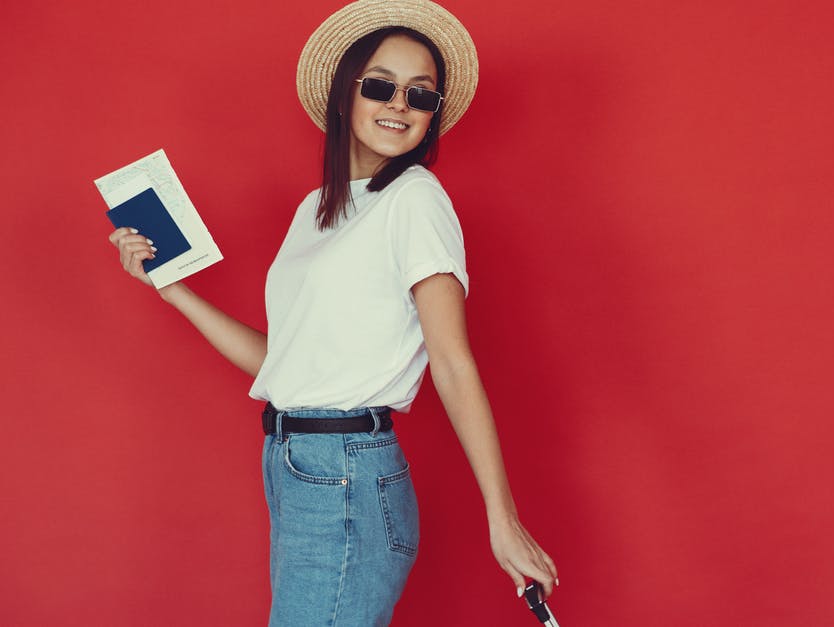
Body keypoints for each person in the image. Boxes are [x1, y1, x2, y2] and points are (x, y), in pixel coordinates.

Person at [106, 0, 558, 624]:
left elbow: (452, 362)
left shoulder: (415, 200)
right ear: (346, 95)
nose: (400, 105)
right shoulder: (316, 209)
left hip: (345, 471)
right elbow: (281, 362)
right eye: (380, 86)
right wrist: (173, 290)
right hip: (297, 468)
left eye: (420, 95)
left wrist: (501, 520)